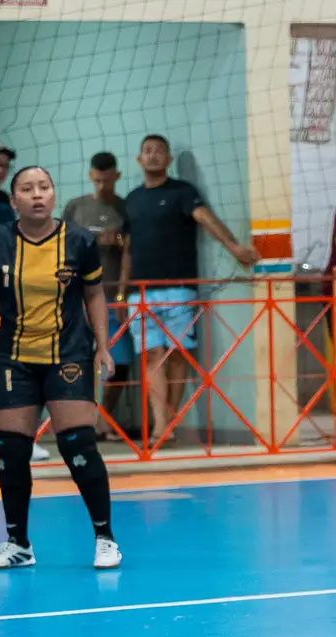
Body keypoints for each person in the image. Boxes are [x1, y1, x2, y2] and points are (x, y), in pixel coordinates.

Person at [0, 167, 124, 570]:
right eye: (27, 189)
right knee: (11, 449)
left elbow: (94, 295)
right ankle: (18, 544)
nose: (37, 194)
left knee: (77, 444)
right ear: (13, 199)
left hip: (68, 355)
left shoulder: (79, 240)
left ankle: (105, 538)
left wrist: (103, 348)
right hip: (13, 358)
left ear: (53, 195)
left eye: (44, 187)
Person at [123, 134, 260, 440]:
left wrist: (234, 247)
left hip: (178, 287)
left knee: (177, 354)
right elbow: (127, 248)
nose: (153, 156)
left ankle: (169, 417)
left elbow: (205, 219)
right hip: (139, 291)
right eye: (147, 151)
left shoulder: (183, 192)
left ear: (169, 159)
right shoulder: (131, 199)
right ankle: (160, 423)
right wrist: (122, 290)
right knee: (151, 355)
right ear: (139, 159)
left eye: (160, 151)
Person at [62, 151, 132, 438]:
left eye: (108, 180)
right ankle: (77, 420)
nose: (102, 185)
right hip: (78, 297)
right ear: (91, 176)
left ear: (117, 177)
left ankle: (104, 419)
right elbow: (60, 246)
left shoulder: (125, 208)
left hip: (112, 296)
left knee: (119, 361)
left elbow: (129, 247)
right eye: (98, 180)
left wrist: (115, 239)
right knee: (76, 360)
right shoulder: (75, 207)